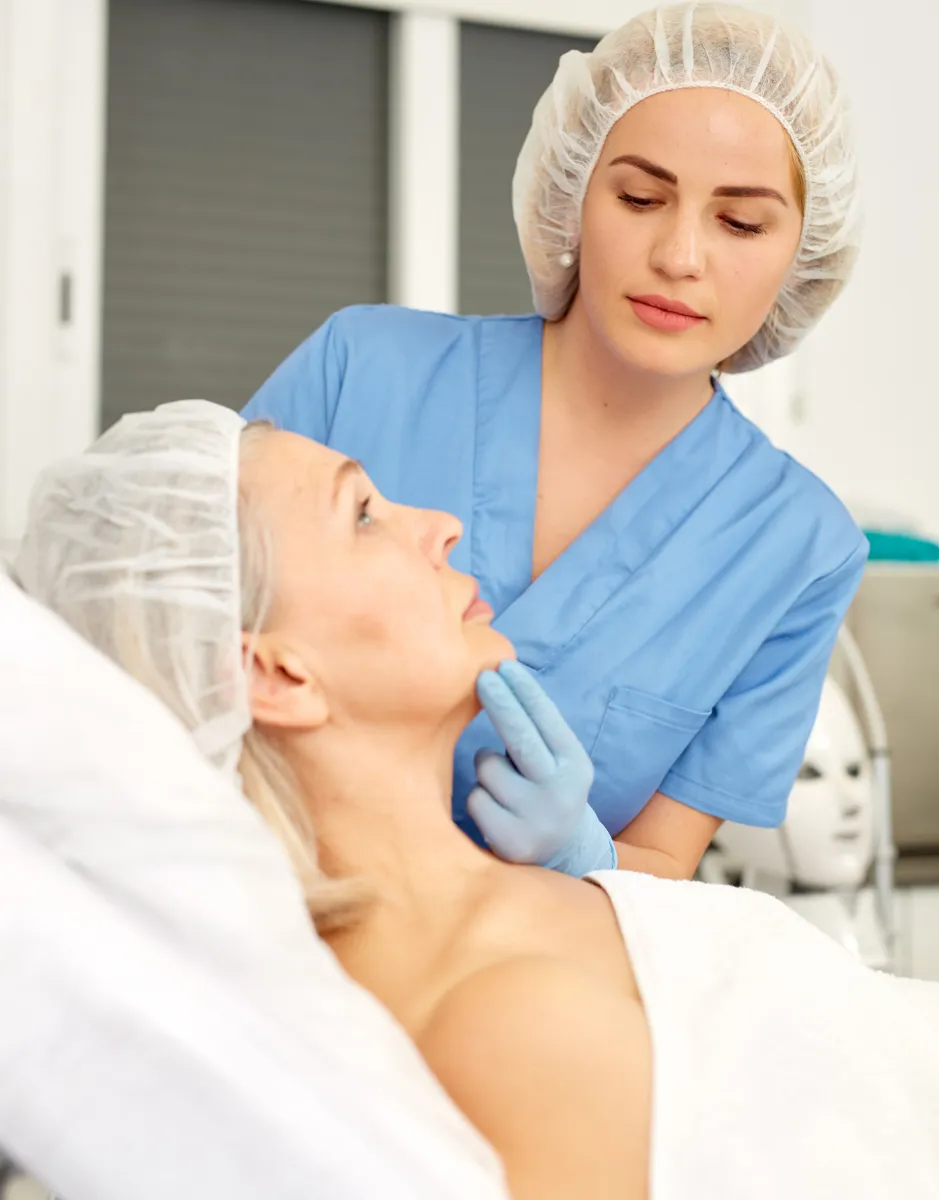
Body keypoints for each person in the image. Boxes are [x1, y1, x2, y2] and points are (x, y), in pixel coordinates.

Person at [15, 401, 939, 1200]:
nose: (437, 524)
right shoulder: (503, 1025)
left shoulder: (518, 916)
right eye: (361, 514)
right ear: (277, 674)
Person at [241, 2, 869, 881]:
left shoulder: (799, 547)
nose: (680, 255)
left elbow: (663, 861)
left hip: (514, 971)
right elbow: (171, 650)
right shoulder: (362, 369)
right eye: (641, 197)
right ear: (573, 195)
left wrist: (586, 855)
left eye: (741, 223)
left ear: (802, 251)